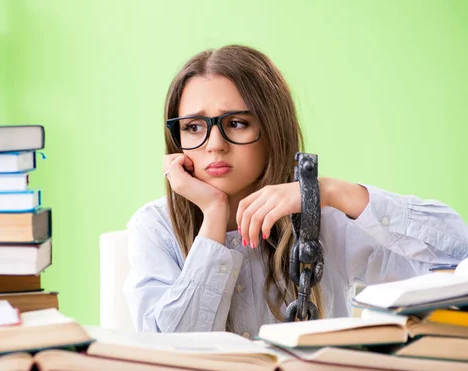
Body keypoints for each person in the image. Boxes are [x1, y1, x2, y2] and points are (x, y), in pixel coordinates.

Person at [123, 44, 468, 336]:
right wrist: (213, 216)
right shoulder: (155, 228)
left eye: (237, 123)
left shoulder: (323, 223)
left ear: (272, 127)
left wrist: (329, 192)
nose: (214, 144)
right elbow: (171, 352)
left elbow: (457, 256)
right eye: (194, 126)